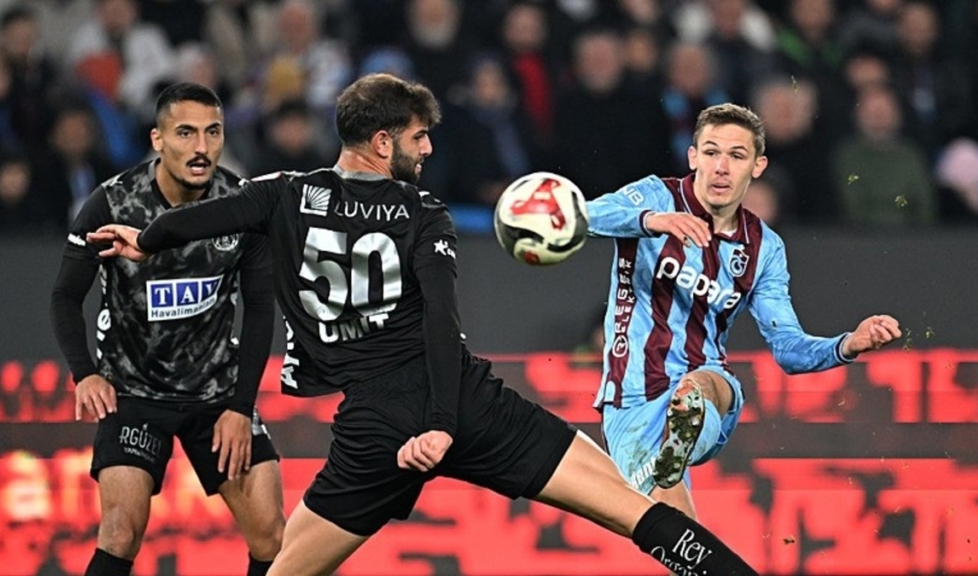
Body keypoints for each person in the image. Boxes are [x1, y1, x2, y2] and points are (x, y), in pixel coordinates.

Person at [87, 73, 759, 576]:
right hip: (462, 402)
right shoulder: (422, 213)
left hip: (378, 428)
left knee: (285, 570)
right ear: (382, 142)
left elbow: (204, 216)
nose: (429, 147)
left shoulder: (283, 193)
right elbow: (442, 321)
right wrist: (440, 422)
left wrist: (147, 240)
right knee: (634, 509)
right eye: (418, 137)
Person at [586, 102, 903, 521]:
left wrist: (848, 344)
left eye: (736, 156)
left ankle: (687, 416)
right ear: (693, 156)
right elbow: (583, 217)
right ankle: (674, 468)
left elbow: (788, 348)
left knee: (701, 385)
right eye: (711, 152)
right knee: (674, 535)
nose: (721, 168)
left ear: (757, 166)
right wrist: (650, 221)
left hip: (707, 390)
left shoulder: (764, 248)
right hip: (631, 401)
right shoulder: (655, 196)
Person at [49, 82, 285, 576]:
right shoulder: (113, 202)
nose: (201, 147)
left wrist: (240, 407)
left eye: (212, 132)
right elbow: (66, 296)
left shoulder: (242, 204)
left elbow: (261, 307)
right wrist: (85, 374)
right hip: (133, 393)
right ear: (157, 139)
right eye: (186, 133)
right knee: (120, 532)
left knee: (273, 536)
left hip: (217, 394)